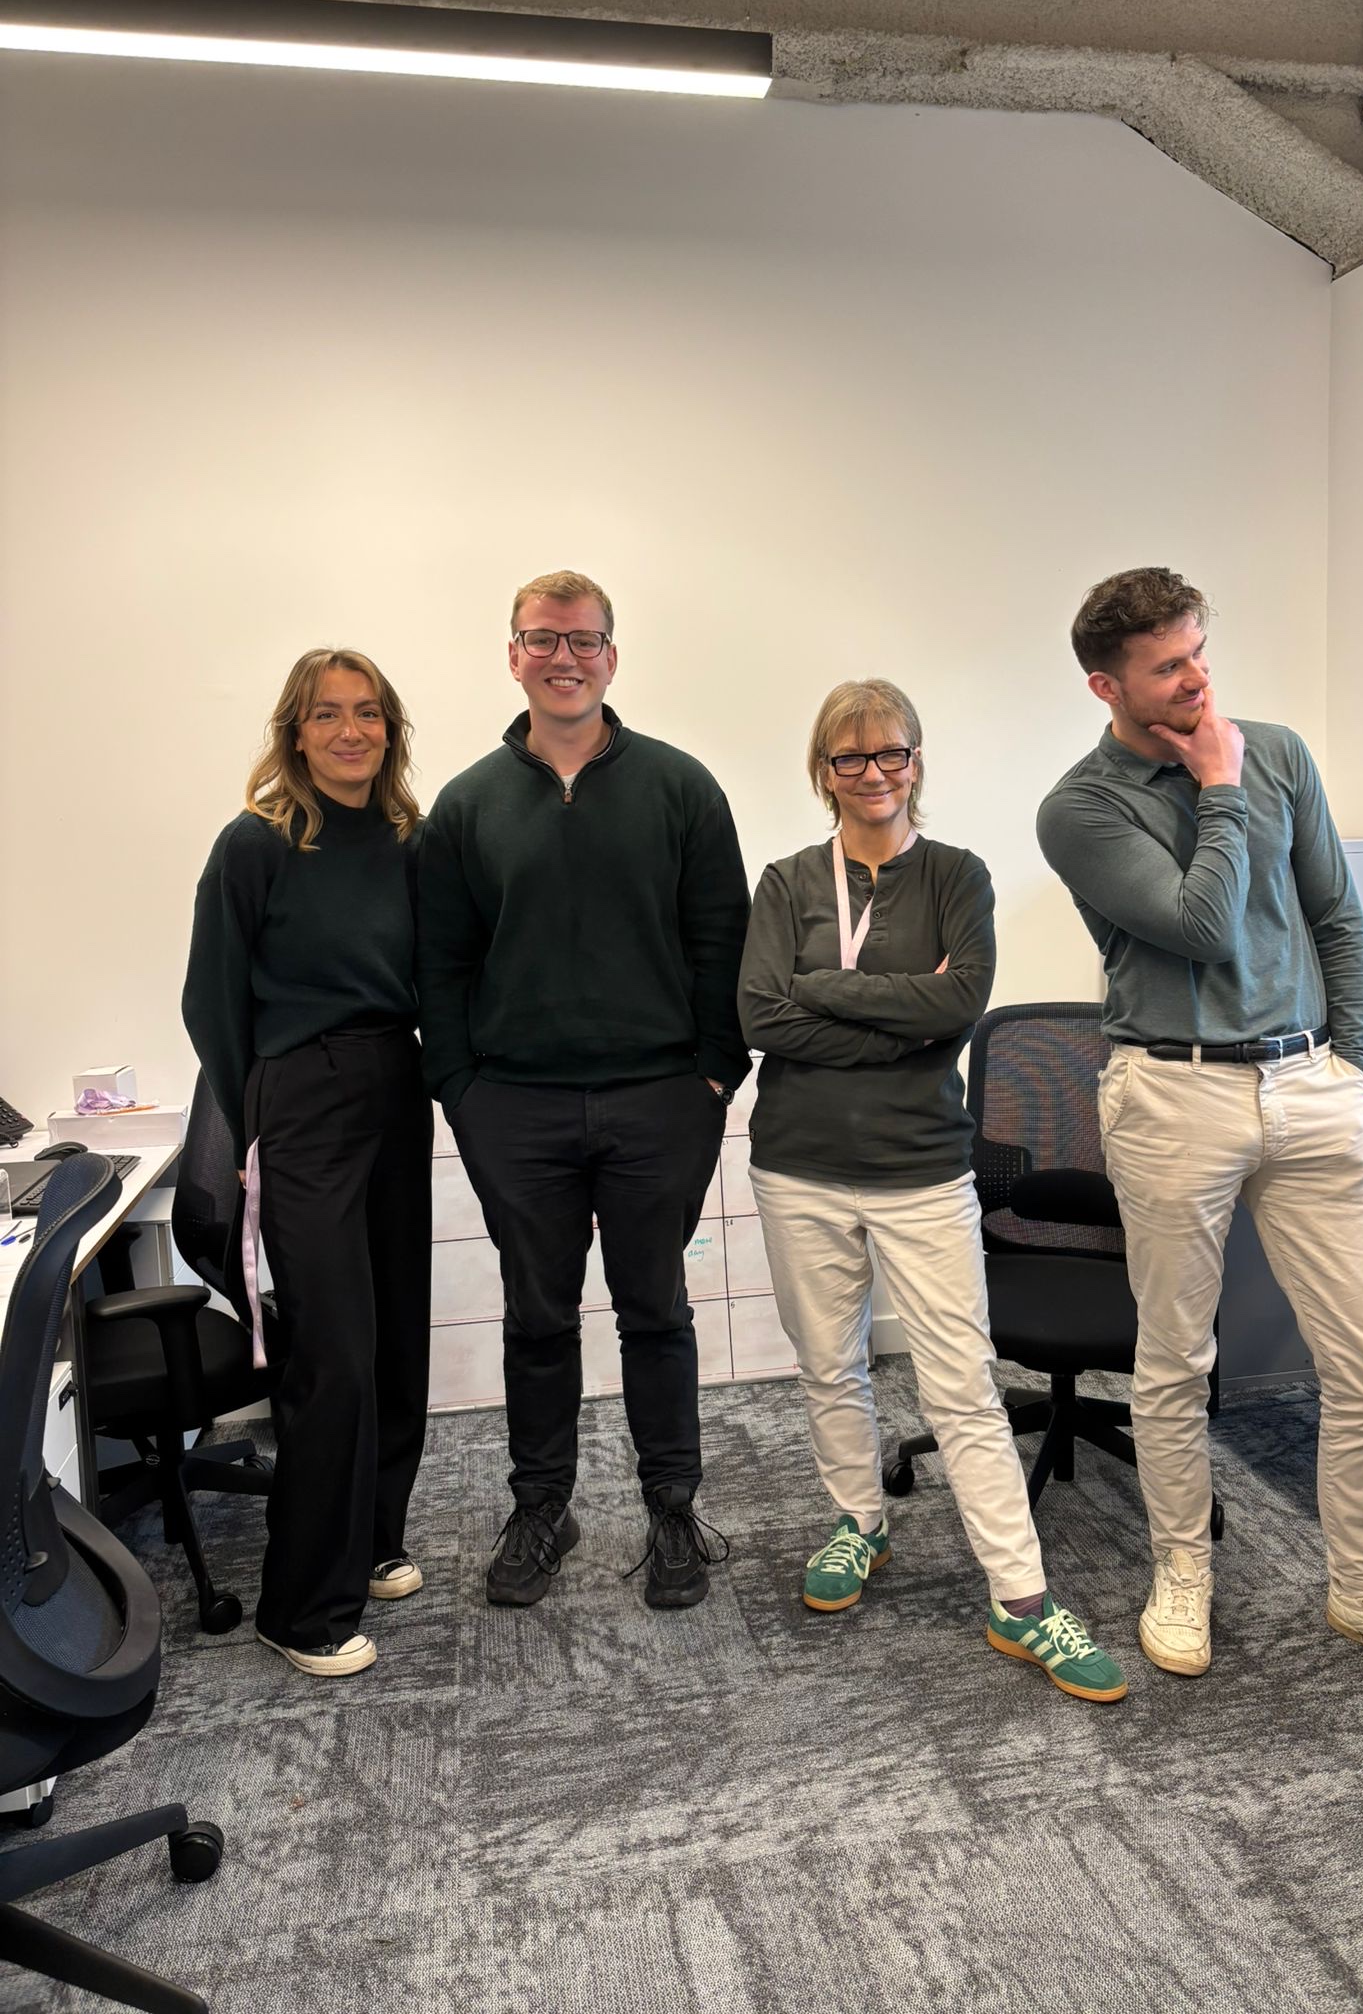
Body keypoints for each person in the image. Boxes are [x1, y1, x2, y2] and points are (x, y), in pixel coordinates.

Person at [1036, 566, 1363, 1703]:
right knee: (1176, 1359)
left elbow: (1336, 914)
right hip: (1173, 1092)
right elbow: (1201, 923)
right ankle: (1183, 1570)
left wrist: (1352, 1061)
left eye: (1199, 651)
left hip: (1310, 1081)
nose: (1197, 679)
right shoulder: (1081, 808)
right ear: (1105, 686)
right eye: (1167, 667)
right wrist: (1220, 785)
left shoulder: (1279, 751)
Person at [737, 678, 1128, 1703]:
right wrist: (894, 1018)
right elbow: (760, 1017)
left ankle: (1022, 1597)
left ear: (917, 761)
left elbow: (958, 1005)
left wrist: (825, 991)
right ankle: (858, 1522)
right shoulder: (786, 882)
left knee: (960, 1383)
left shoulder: (958, 874)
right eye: (850, 757)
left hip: (920, 1169)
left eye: (892, 753)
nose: (873, 773)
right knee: (830, 1364)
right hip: (799, 1164)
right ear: (823, 771)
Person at [416, 569, 750, 1611]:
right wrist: (461, 1087)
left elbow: (722, 938)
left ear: (612, 655)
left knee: (656, 1310)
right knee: (536, 1316)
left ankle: (672, 1510)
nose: (564, 657)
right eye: (543, 638)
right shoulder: (466, 805)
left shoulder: (681, 787)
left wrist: (712, 1073)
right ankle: (540, 1508)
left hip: (660, 1098)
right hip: (516, 1108)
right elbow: (441, 963)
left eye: (584, 640)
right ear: (513, 654)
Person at [182, 648, 432, 1679]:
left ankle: (370, 1537)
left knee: (395, 1336)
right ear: (295, 732)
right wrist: (260, 1115)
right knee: (332, 1350)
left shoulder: (410, 842)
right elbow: (211, 1002)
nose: (349, 731)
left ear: (390, 730)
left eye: (368, 713)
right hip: (303, 1097)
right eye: (327, 714)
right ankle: (300, 1608)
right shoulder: (256, 844)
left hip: (394, 1083)